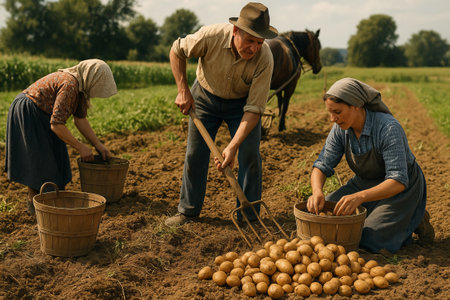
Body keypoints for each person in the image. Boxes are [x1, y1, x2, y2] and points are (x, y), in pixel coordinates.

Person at [165, 2, 278, 226]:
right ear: (236, 31)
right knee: (195, 153)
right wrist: (182, 90)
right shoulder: (211, 36)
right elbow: (177, 50)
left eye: (259, 42)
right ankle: (187, 211)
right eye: (249, 41)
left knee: (249, 154)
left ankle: (248, 215)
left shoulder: (265, 58)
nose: (254, 48)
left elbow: (254, 110)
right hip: (205, 97)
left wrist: (232, 146)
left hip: (242, 107)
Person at [307, 77, 435, 253]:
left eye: (337, 112)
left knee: (368, 237)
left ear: (356, 105)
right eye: (330, 112)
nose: (332, 119)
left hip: (399, 190)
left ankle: (413, 217)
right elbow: (321, 165)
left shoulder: (388, 128)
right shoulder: (340, 129)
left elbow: (398, 180)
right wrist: (317, 192)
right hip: (364, 183)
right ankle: (401, 216)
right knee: (324, 217)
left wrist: (360, 197)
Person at [5, 59, 117, 214]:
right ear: (91, 78)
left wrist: (99, 145)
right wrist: (80, 147)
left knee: (58, 160)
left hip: (41, 114)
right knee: (42, 163)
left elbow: (81, 120)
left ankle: (43, 206)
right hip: (29, 111)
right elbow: (57, 125)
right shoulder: (70, 84)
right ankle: (38, 209)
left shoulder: (80, 89)